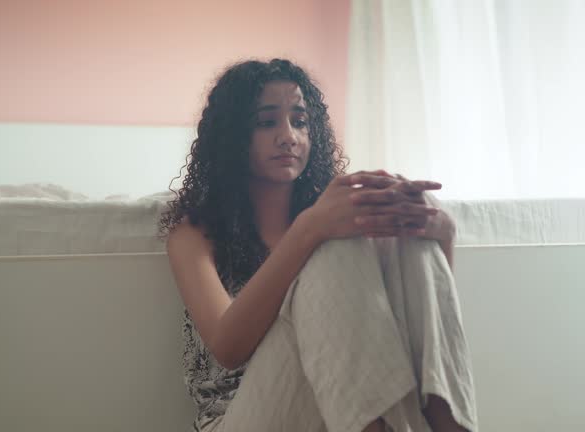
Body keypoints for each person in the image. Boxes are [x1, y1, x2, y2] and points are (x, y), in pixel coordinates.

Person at [160, 58, 477, 432]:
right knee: (332, 247)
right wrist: (308, 231)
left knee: (407, 223)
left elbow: (413, 327)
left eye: (300, 121)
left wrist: (442, 236)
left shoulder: (330, 223)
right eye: (266, 123)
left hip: (335, 414)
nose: (288, 136)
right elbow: (227, 348)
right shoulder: (194, 234)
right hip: (237, 419)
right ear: (232, 136)